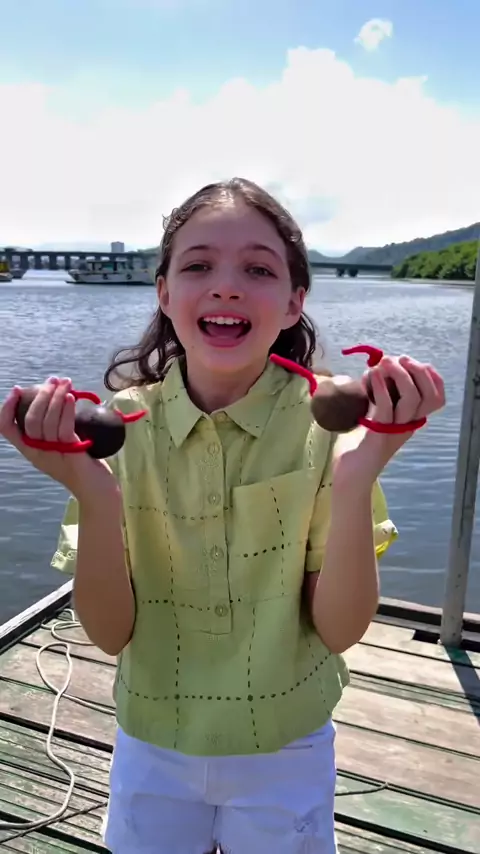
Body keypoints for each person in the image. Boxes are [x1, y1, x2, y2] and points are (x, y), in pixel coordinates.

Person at [0, 178, 445, 854]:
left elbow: (340, 629)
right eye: (199, 265)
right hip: (153, 738)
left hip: (288, 741)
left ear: (294, 301)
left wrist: (357, 480)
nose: (227, 287)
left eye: (258, 270)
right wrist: (95, 495)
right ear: (164, 293)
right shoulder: (121, 429)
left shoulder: (332, 429)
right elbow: (110, 634)